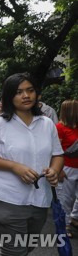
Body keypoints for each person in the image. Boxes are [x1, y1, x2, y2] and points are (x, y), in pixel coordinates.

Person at [0, 73, 64, 256]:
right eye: (19, 92)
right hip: (7, 198)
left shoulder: (47, 124)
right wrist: (14, 166)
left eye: (30, 90)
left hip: (40, 199)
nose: (26, 95)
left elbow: (58, 154)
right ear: (9, 96)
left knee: (26, 247)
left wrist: (54, 170)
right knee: (14, 255)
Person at [55, 99, 78, 237]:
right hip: (67, 167)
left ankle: (74, 217)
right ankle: (65, 224)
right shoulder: (59, 128)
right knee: (66, 198)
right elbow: (55, 150)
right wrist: (59, 169)